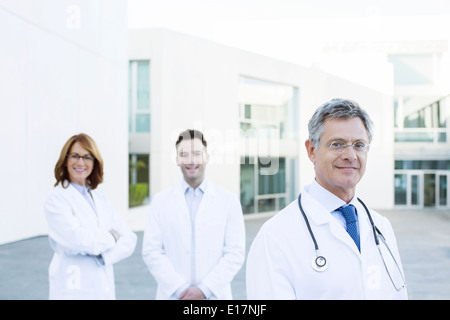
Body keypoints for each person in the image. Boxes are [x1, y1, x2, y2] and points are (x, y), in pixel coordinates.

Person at [246, 98, 408, 300]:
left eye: (359, 145)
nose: (350, 155)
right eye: (337, 144)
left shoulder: (381, 227)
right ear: (312, 151)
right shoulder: (275, 236)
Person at [142, 129, 246, 300]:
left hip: (213, 295)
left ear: (207, 157)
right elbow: (151, 251)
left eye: (197, 153)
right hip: (173, 295)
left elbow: (235, 253)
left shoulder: (228, 201)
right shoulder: (161, 202)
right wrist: (180, 289)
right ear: (177, 159)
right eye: (184, 154)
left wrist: (204, 290)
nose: (191, 160)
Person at [44, 133, 137, 299]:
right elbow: (75, 239)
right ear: (65, 160)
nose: (80, 162)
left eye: (87, 157)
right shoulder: (56, 199)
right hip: (72, 287)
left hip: (102, 288)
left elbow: (129, 238)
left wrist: (104, 256)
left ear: (94, 163)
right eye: (75, 156)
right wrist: (111, 238)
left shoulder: (100, 199)